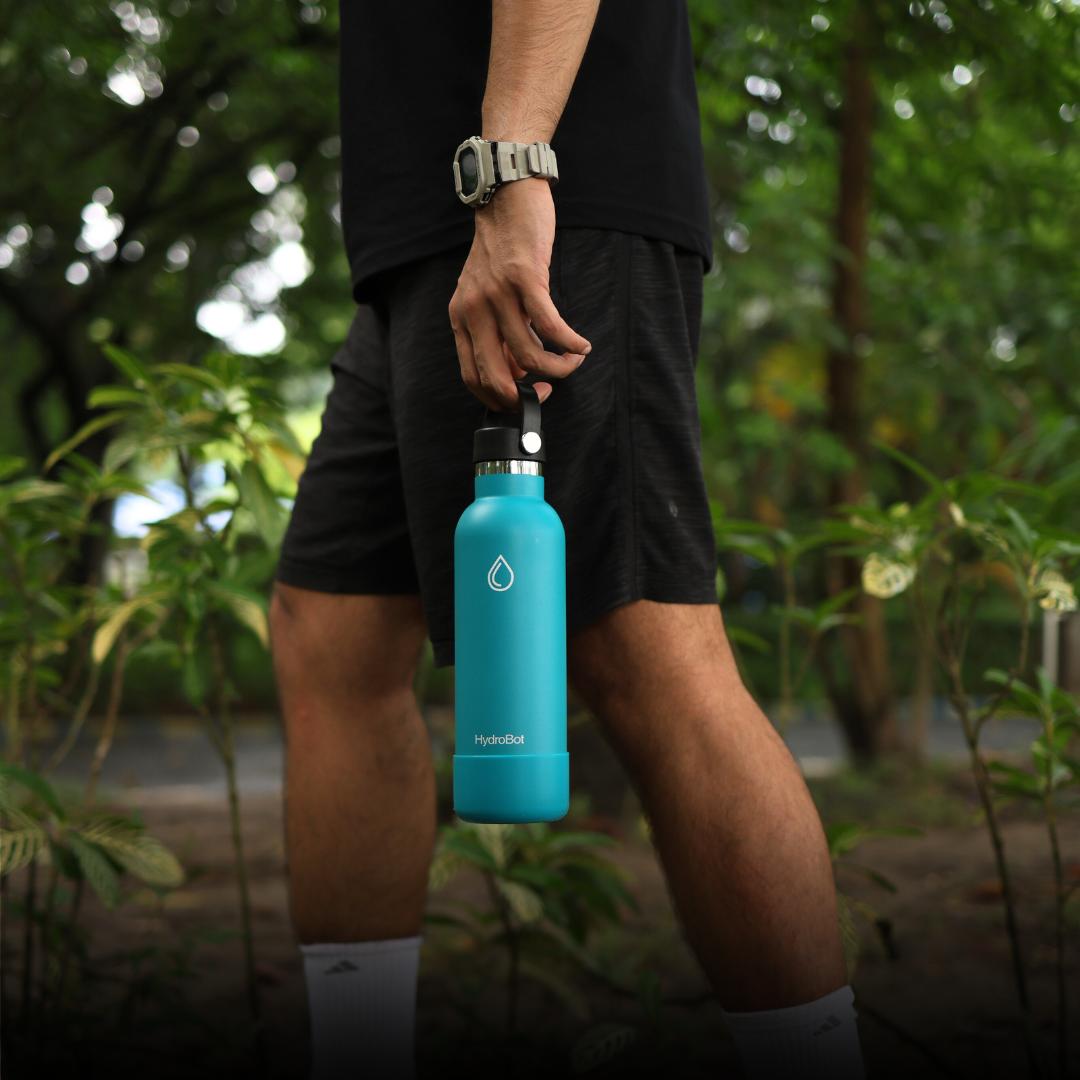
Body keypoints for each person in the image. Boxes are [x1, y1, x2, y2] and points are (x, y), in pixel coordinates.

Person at [270, 1, 865, 1077]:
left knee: (639, 648)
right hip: (420, 226)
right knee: (333, 631)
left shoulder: (521, 179)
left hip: (542, 197)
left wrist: (513, 167)